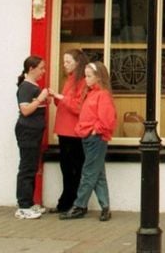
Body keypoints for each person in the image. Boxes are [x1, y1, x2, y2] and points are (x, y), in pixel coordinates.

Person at [60, 61, 116, 222]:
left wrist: (95, 130)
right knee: (97, 174)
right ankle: (105, 207)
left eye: (89, 76)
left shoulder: (102, 94)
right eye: (85, 76)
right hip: (89, 136)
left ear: (98, 77)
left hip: (95, 138)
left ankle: (79, 206)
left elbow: (107, 119)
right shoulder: (92, 93)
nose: (86, 79)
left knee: (89, 173)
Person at [48, 49, 89, 213]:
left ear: (77, 63)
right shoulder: (70, 80)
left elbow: (79, 107)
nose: (64, 65)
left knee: (73, 169)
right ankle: (65, 202)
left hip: (73, 132)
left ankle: (71, 203)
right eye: (64, 62)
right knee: (66, 169)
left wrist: (60, 98)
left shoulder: (83, 82)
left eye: (68, 62)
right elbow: (66, 104)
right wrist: (58, 99)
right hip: (64, 130)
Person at [14, 55, 50, 219]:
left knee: (32, 166)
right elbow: (25, 111)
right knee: (27, 167)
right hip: (27, 131)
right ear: (31, 69)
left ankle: (29, 203)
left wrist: (45, 99)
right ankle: (23, 206)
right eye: (41, 68)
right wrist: (41, 99)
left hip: (34, 131)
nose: (43, 71)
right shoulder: (26, 87)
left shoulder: (33, 86)